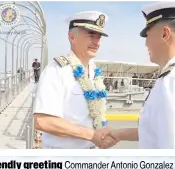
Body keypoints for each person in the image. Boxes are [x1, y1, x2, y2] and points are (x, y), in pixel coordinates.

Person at [109, 2, 175, 149]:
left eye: (147, 35)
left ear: (165, 34)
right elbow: (157, 131)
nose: (145, 43)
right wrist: (119, 134)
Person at [32, 11, 115, 149]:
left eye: (99, 37)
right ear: (72, 37)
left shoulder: (95, 71)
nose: (96, 42)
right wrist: (91, 135)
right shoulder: (56, 70)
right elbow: (43, 121)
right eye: (91, 35)